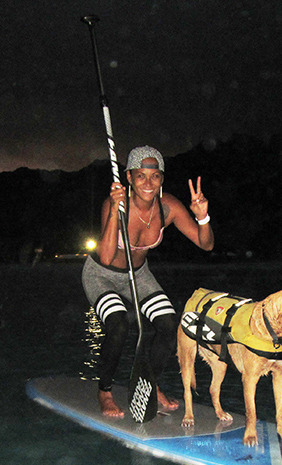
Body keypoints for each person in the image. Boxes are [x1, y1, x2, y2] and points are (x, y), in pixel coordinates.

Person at [82, 145, 214, 418]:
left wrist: (202, 216)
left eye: (155, 176)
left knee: (168, 325)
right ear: (129, 177)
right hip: (101, 274)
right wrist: (114, 211)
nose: (148, 183)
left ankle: (150, 383)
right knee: (119, 324)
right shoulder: (114, 203)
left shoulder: (169, 208)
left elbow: (206, 244)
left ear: (162, 179)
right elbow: (106, 257)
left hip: (139, 275)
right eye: (141, 176)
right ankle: (104, 391)